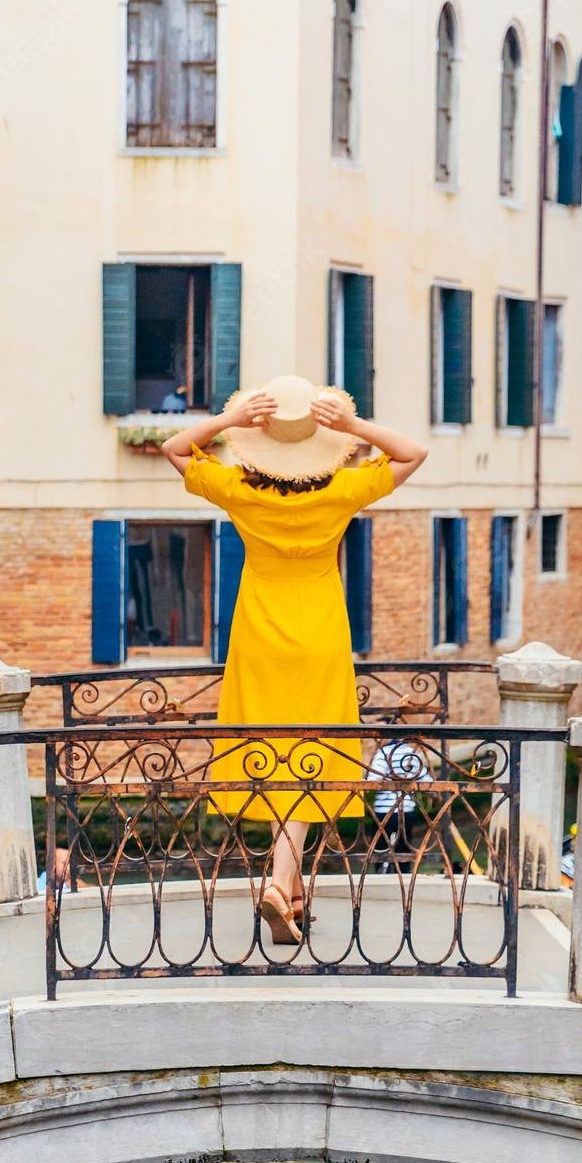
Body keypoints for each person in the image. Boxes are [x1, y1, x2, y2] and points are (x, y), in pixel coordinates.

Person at [162, 376, 427, 943]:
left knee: (277, 752)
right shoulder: (342, 492)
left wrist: (229, 423)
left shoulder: (238, 490)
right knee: (312, 752)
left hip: (258, 632)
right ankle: (285, 888)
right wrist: (352, 427)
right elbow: (414, 452)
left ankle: (289, 887)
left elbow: (175, 448)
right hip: (320, 635)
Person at [368, 703, 433, 873]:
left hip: (383, 810)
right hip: (406, 809)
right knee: (404, 845)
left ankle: (381, 874)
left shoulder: (383, 753)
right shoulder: (410, 753)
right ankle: (403, 875)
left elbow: (373, 780)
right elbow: (426, 780)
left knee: (381, 846)